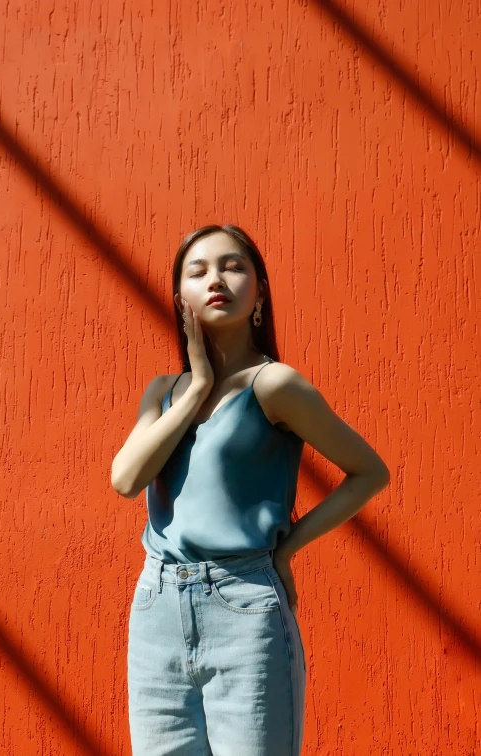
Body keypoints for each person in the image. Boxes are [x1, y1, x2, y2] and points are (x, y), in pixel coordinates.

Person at [111, 224, 390, 756]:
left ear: (259, 291)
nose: (216, 279)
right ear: (180, 301)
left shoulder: (275, 385)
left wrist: (286, 550)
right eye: (198, 271)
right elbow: (126, 480)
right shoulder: (162, 392)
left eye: (233, 266)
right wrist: (196, 388)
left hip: (244, 607)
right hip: (156, 608)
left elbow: (369, 471)